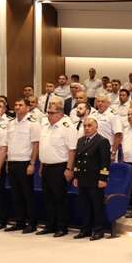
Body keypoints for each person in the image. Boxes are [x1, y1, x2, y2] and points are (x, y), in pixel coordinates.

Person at [36, 98, 77, 237]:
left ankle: (61, 227)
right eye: (48, 112)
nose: (49, 115)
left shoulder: (67, 127)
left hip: (60, 167)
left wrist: (69, 169)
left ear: (60, 113)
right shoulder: (45, 126)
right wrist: (42, 166)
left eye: (52, 113)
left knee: (59, 198)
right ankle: (50, 225)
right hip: (46, 166)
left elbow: (72, 150)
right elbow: (44, 148)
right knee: (48, 198)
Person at [5, 98, 40, 233]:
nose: (17, 107)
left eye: (20, 105)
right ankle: (19, 222)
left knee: (27, 195)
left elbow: (35, 145)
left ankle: (32, 223)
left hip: (25, 162)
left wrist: (32, 163)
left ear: (28, 108)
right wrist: (8, 162)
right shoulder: (10, 123)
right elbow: (8, 144)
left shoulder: (33, 123)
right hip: (12, 161)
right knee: (16, 194)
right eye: (16, 104)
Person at [71, 118, 110, 240]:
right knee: (85, 206)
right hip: (83, 178)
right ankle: (85, 229)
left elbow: (105, 162)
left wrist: (103, 178)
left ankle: (99, 230)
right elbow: (77, 160)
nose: (87, 128)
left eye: (90, 125)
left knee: (97, 206)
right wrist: (76, 176)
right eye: (85, 126)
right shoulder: (81, 140)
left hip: (95, 179)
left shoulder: (102, 141)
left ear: (96, 127)